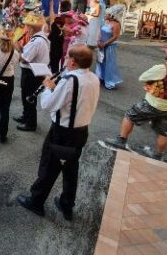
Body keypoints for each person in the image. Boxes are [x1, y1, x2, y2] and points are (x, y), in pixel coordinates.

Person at [16, 45, 100, 221]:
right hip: (81, 131)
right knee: (71, 169)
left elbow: (48, 105)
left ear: (73, 61)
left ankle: (36, 202)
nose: (66, 60)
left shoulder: (70, 80)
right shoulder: (93, 78)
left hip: (62, 132)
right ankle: (66, 204)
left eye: (68, 58)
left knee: (49, 167)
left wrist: (48, 87)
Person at [103, 36, 167, 159]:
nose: (165, 51)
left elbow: (142, 77)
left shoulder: (162, 68)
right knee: (164, 131)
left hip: (154, 103)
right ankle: (157, 154)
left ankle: (121, 140)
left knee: (130, 116)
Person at [15, 12, 50, 132]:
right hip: (35, 72)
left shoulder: (36, 41)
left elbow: (24, 59)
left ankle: (30, 123)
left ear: (32, 28)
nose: (26, 29)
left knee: (29, 98)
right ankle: (26, 117)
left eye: (28, 27)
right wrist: (21, 48)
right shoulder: (41, 38)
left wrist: (17, 50)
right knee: (26, 96)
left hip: (31, 73)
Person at [96, 5, 124, 90]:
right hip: (102, 45)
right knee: (101, 61)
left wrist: (105, 44)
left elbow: (115, 37)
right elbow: (101, 31)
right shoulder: (106, 22)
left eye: (107, 14)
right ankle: (101, 77)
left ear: (112, 15)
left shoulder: (116, 25)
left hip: (109, 47)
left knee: (108, 63)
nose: (105, 15)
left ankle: (109, 80)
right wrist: (99, 40)